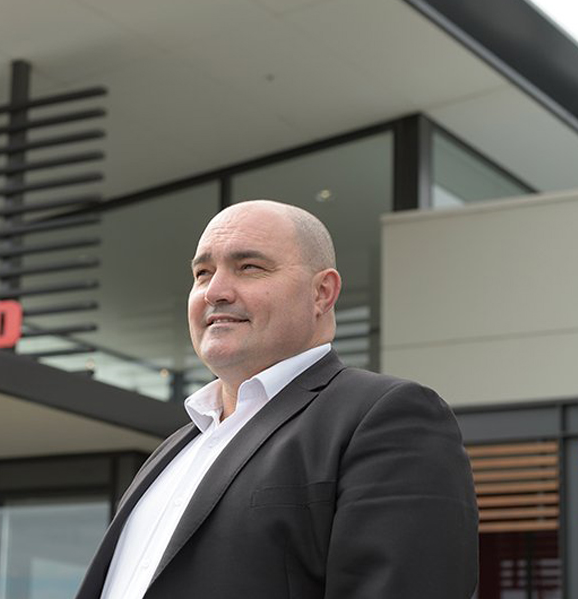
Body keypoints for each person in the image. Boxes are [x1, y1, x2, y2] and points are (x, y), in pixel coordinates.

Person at [75, 200, 478, 599]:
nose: (214, 291)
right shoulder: (174, 450)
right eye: (202, 272)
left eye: (249, 267)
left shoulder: (386, 417)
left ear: (322, 292)